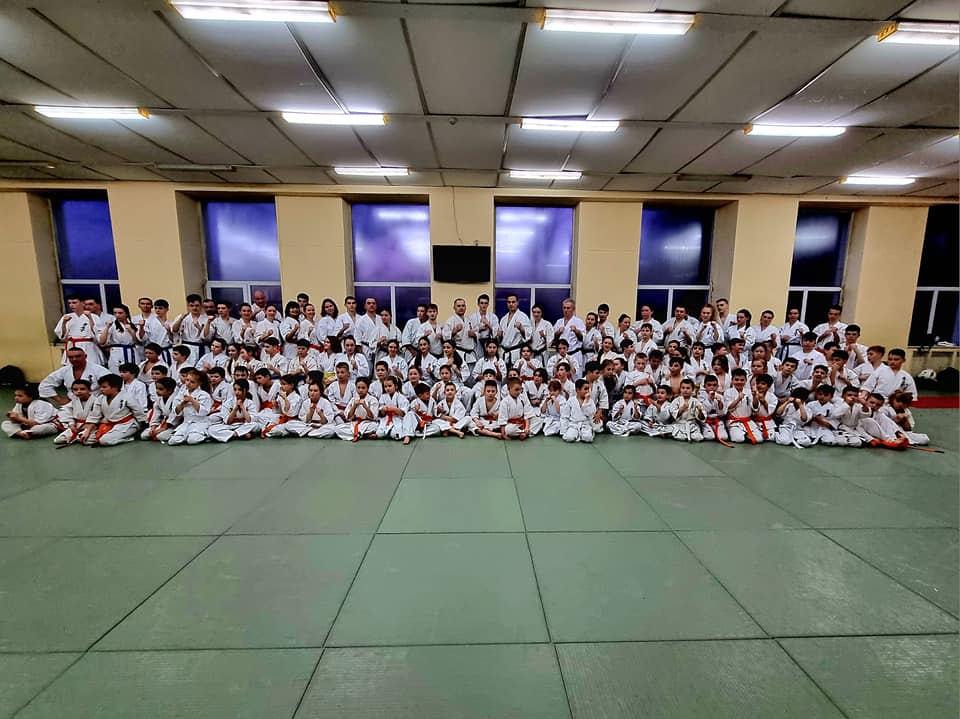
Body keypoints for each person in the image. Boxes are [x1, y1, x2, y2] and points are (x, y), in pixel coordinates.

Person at [78, 374, 146, 446]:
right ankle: (107, 437)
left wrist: (143, 424)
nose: (101, 389)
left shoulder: (127, 396)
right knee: (85, 439)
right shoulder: (101, 398)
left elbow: (138, 411)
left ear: (115, 387)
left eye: (104, 387)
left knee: (104, 441)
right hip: (108, 424)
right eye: (101, 387)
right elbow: (94, 416)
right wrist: (87, 431)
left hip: (126, 425)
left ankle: (131, 438)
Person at [39, 347, 110, 405]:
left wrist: (105, 401)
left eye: (77, 356)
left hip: (95, 403)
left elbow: (113, 386)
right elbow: (45, 385)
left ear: (85, 356)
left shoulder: (98, 369)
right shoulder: (65, 370)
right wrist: (60, 400)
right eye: (71, 357)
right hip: (72, 403)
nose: (74, 359)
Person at [167, 370, 213, 446]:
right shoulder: (181, 394)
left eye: (192, 382)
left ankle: (206, 435)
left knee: (192, 440)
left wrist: (193, 401)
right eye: (187, 380)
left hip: (199, 422)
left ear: (199, 383)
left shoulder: (204, 395)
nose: (188, 383)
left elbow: (204, 412)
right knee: (172, 441)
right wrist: (182, 403)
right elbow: (176, 411)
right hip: (186, 422)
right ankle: (186, 436)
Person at [54, 296, 103, 365]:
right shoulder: (66, 317)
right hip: (72, 346)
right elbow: (62, 336)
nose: (71, 305)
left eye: (74, 302)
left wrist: (90, 319)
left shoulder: (93, 316)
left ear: (82, 303)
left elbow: (98, 333)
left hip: (88, 346)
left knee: (90, 366)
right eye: (69, 303)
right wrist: (64, 322)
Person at [53, 379, 97, 445]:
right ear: (72, 391)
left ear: (89, 390)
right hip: (77, 425)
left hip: (91, 426)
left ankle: (79, 436)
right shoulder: (74, 401)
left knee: (86, 440)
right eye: (75, 390)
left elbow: (98, 416)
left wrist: (88, 426)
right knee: (58, 440)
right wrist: (71, 425)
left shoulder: (96, 401)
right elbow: (67, 413)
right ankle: (78, 436)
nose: (79, 391)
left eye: (82, 389)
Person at [336, 376, 379, 442]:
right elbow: (348, 417)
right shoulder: (353, 399)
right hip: (354, 423)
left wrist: (365, 406)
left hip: (367, 423)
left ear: (368, 388)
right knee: (338, 429)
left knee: (374, 426)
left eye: (363, 388)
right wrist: (354, 406)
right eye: (358, 388)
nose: (360, 390)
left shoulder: (373, 400)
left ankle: (356, 434)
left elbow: (373, 417)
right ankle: (363, 435)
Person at [724, 368, 761, 444]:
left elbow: (755, 408)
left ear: (745, 380)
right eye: (736, 380)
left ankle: (746, 435)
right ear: (732, 380)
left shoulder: (749, 392)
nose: (739, 382)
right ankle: (736, 433)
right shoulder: (728, 392)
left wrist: (755, 397)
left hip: (747, 421)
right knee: (738, 439)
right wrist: (738, 399)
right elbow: (728, 408)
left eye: (742, 380)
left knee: (759, 439)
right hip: (734, 421)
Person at [172, 294, 209, 365]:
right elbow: (174, 330)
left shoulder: (206, 319)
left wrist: (199, 327)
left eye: (197, 305)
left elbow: (207, 337)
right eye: (192, 306)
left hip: (201, 347)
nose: (194, 308)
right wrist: (181, 319)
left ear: (201, 306)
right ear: (188, 306)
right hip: (186, 347)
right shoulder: (183, 317)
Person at [141, 377, 179, 443]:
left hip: (174, 424)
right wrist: (153, 428)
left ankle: (178, 434)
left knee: (160, 436)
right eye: (157, 388)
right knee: (144, 436)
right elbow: (156, 415)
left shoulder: (176, 399)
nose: (157, 391)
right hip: (163, 422)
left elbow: (175, 416)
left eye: (161, 389)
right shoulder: (159, 399)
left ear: (169, 390)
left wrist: (163, 428)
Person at [499, 293, 532, 367]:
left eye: (513, 302)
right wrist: (500, 336)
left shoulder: (523, 317)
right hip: (504, 352)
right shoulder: (503, 319)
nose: (511, 304)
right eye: (509, 302)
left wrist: (521, 328)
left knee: (515, 372)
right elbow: (501, 339)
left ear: (517, 303)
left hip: (515, 352)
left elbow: (528, 336)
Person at [443, 298, 478, 365]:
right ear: (454, 308)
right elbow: (445, 337)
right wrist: (454, 332)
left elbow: (477, 334)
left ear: (465, 307)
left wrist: (474, 334)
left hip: (470, 354)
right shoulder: (450, 321)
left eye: (463, 306)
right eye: (458, 306)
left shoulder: (469, 320)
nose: (461, 308)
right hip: (458, 353)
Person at [560, 379, 596, 443]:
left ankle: (583, 434)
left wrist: (586, 402)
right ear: (578, 390)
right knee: (569, 438)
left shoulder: (590, 401)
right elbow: (565, 416)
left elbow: (590, 414)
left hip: (585, 425)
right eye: (585, 389)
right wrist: (563, 430)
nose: (587, 391)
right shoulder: (571, 400)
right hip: (573, 425)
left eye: (588, 389)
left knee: (588, 438)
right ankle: (576, 434)